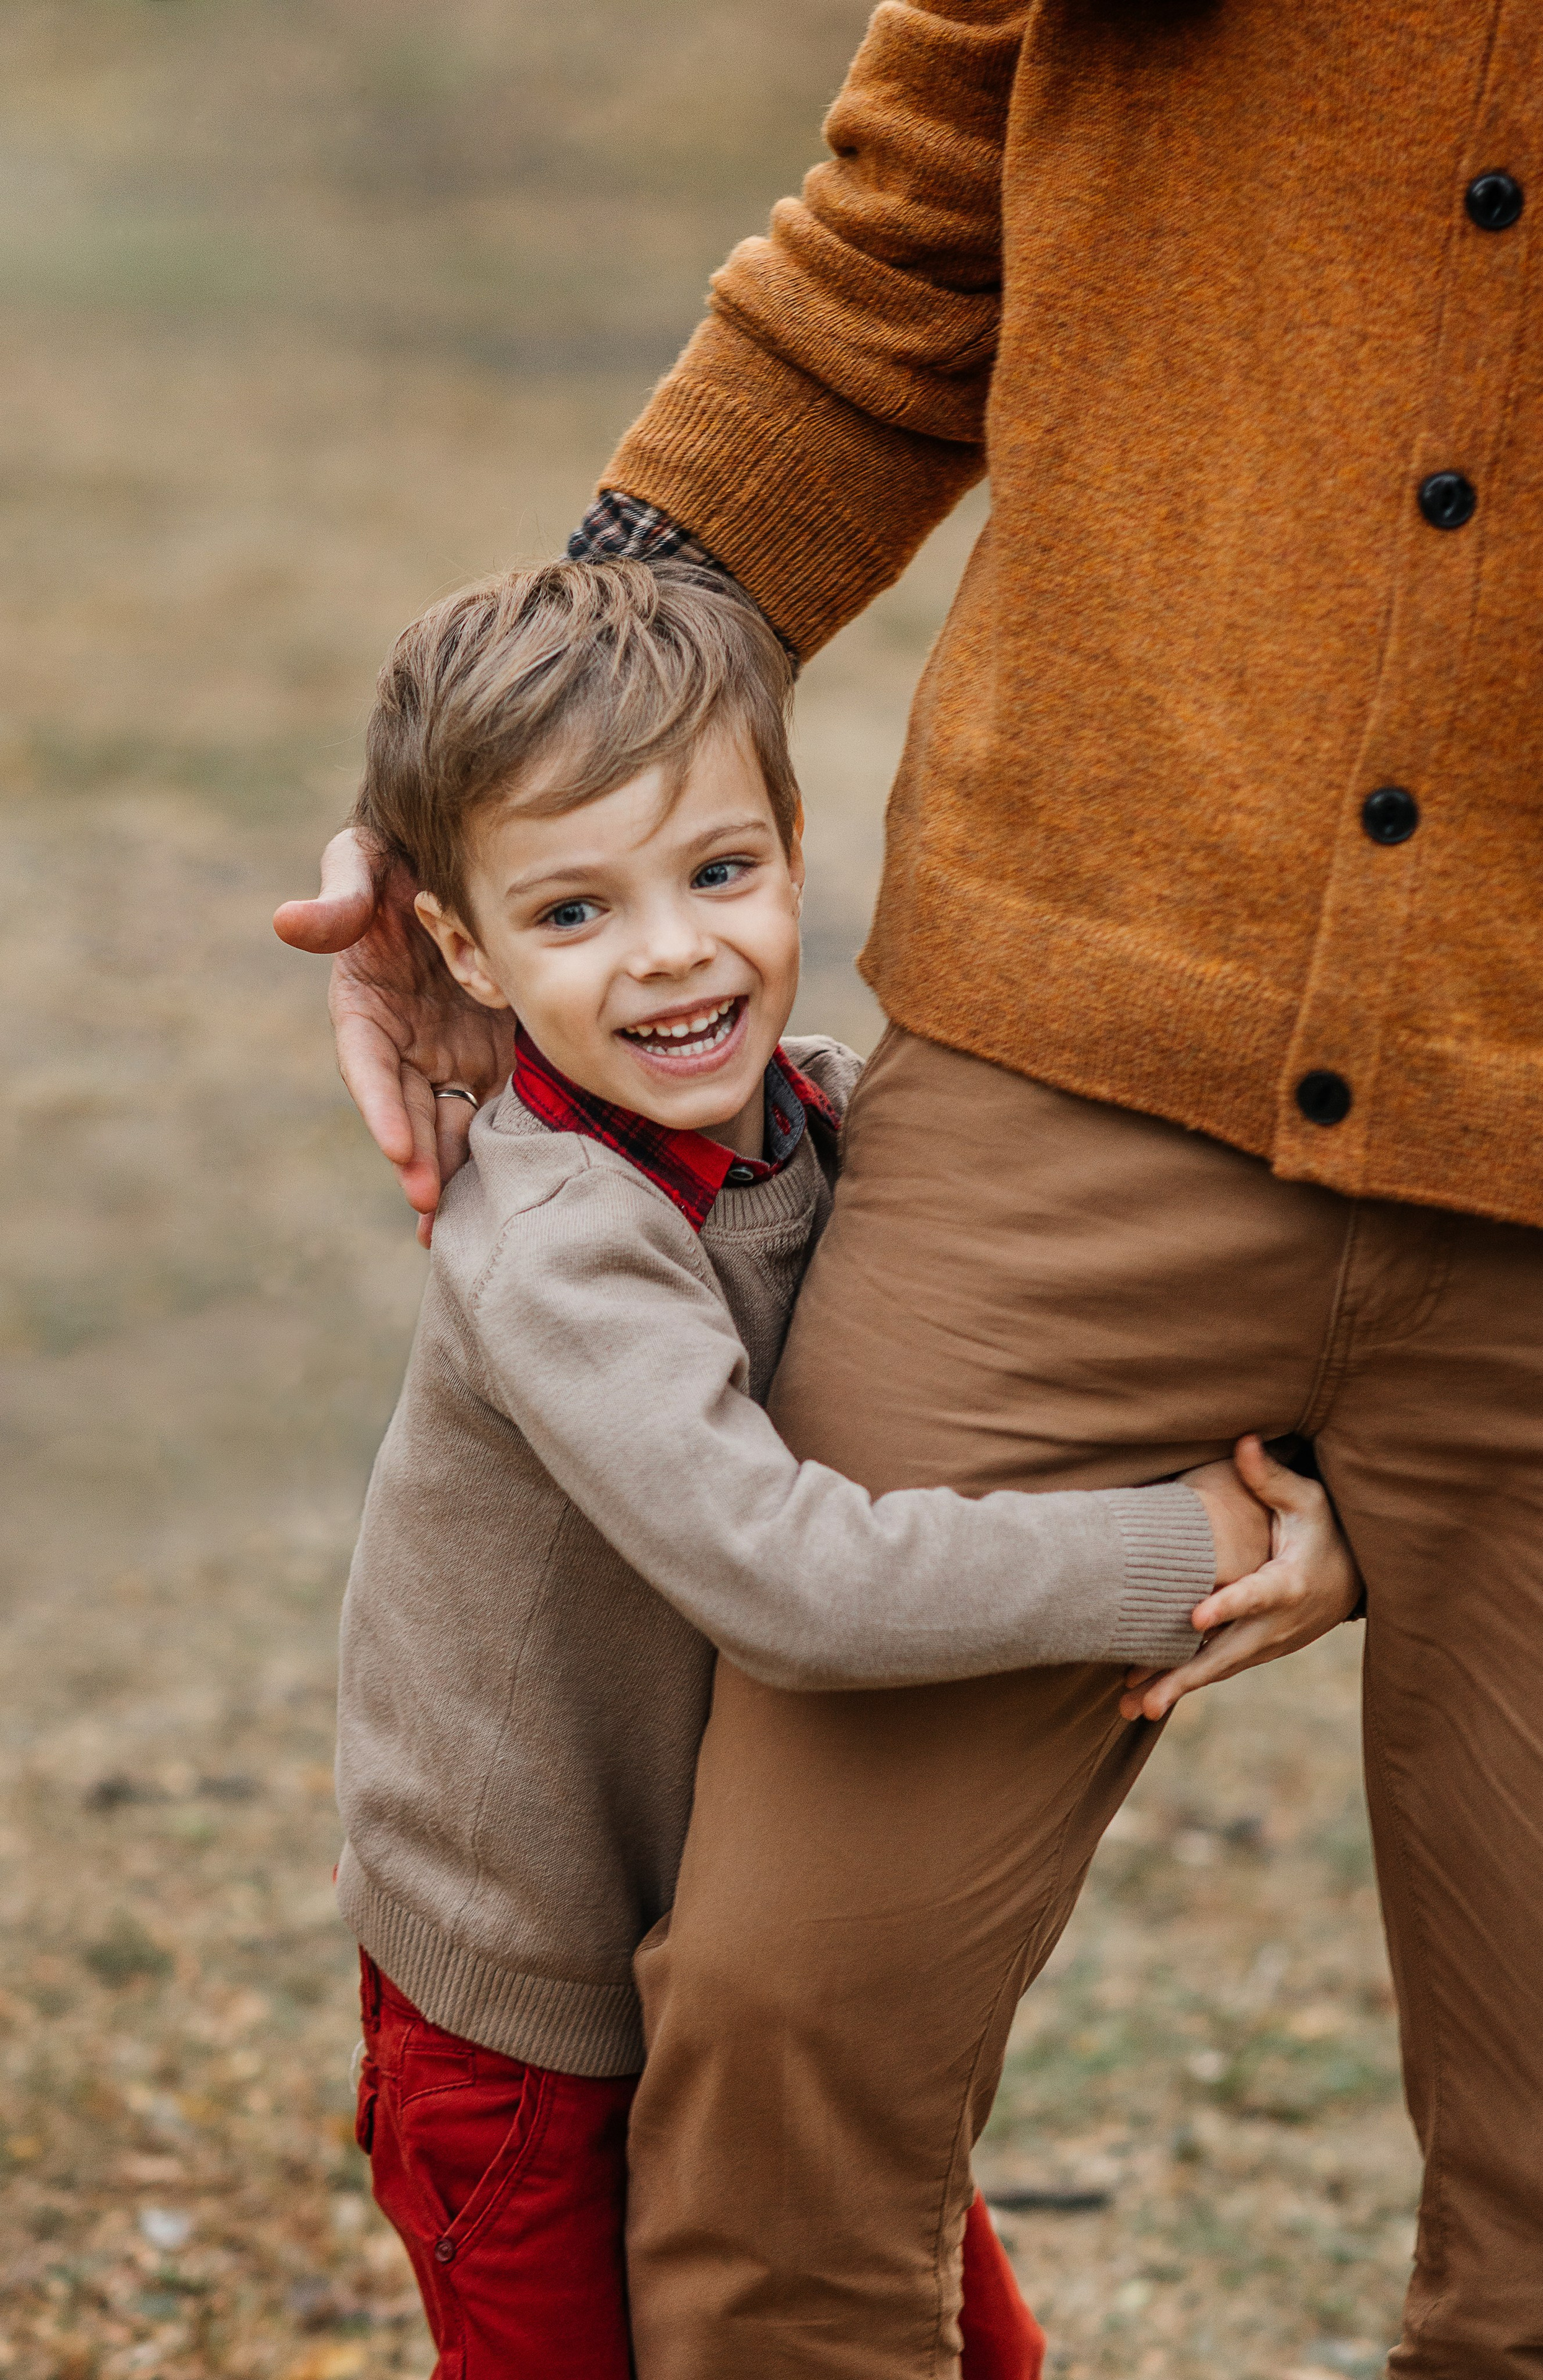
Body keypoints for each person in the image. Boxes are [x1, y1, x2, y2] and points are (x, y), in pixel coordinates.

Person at [275, 5, 1543, 2370]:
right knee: (781, 2062)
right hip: (1074, 1043)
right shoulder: (636, 1195)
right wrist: (503, 799)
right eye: (572, 919)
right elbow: (897, 258)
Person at [324, 555, 1355, 2379]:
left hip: (743, 1932)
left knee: (935, 2331)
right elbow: (791, 1579)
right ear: (463, 954)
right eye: (574, 912)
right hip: (528, 2003)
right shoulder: (556, 1244)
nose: (671, 953)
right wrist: (1173, 1545)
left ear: (797, 844)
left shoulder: (824, 1111)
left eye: (720, 873)